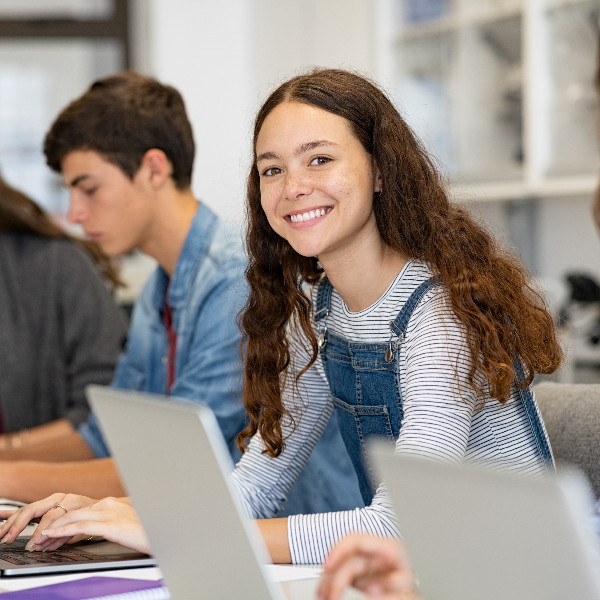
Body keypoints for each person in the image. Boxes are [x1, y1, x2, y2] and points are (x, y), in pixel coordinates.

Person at [0, 68, 562, 565]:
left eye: (319, 159)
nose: (293, 188)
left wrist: (173, 530)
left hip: (518, 576)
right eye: (271, 170)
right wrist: (111, 511)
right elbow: (254, 488)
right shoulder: (318, 310)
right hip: (422, 576)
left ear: (382, 170)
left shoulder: (435, 316)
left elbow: (400, 525)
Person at [0, 70, 361, 517]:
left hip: (295, 549)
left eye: (89, 189)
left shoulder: (238, 280)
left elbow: (170, 465)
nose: (75, 214)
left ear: (154, 168)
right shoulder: (160, 287)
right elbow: (106, 436)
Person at [0, 174, 127, 449]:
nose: (75, 213)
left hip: (46, 481)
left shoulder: (57, 265)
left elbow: (103, 409)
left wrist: (11, 448)